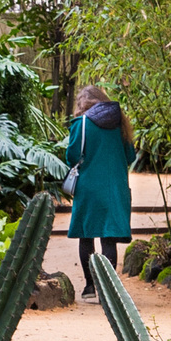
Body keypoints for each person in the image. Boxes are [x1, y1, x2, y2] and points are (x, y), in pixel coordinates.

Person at [65, 83, 134, 297]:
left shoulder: (82, 124)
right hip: (115, 187)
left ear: (83, 104)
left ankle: (89, 287)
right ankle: (109, 290)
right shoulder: (120, 123)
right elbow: (130, 156)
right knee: (109, 237)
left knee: (86, 236)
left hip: (89, 187)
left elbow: (72, 157)